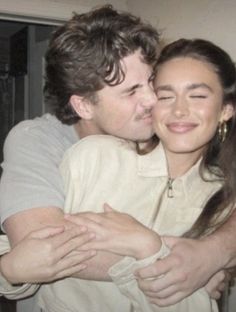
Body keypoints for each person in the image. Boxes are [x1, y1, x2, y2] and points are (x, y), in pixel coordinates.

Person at [0, 3, 229, 310]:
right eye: (131, 91)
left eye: (151, 81)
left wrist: (214, 252)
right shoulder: (41, 141)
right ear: (84, 106)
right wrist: (177, 266)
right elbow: (47, 251)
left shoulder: (171, 138)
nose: (152, 98)